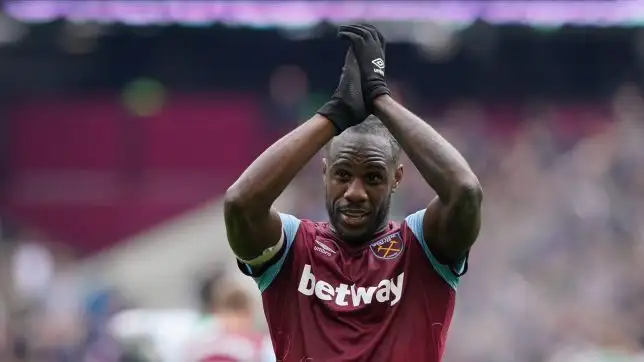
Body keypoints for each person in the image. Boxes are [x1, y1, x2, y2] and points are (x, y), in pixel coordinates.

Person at [224, 24, 482, 362]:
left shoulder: (422, 247)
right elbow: (240, 204)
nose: (355, 192)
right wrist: (332, 115)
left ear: (396, 179)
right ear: (324, 173)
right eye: (342, 175)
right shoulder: (294, 248)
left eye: (373, 177)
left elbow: (464, 192)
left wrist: (380, 99)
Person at [184, 273, 273, 362]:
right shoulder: (202, 341)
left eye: (240, 314)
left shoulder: (263, 347)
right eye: (230, 313)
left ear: (250, 315)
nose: (235, 320)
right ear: (217, 312)